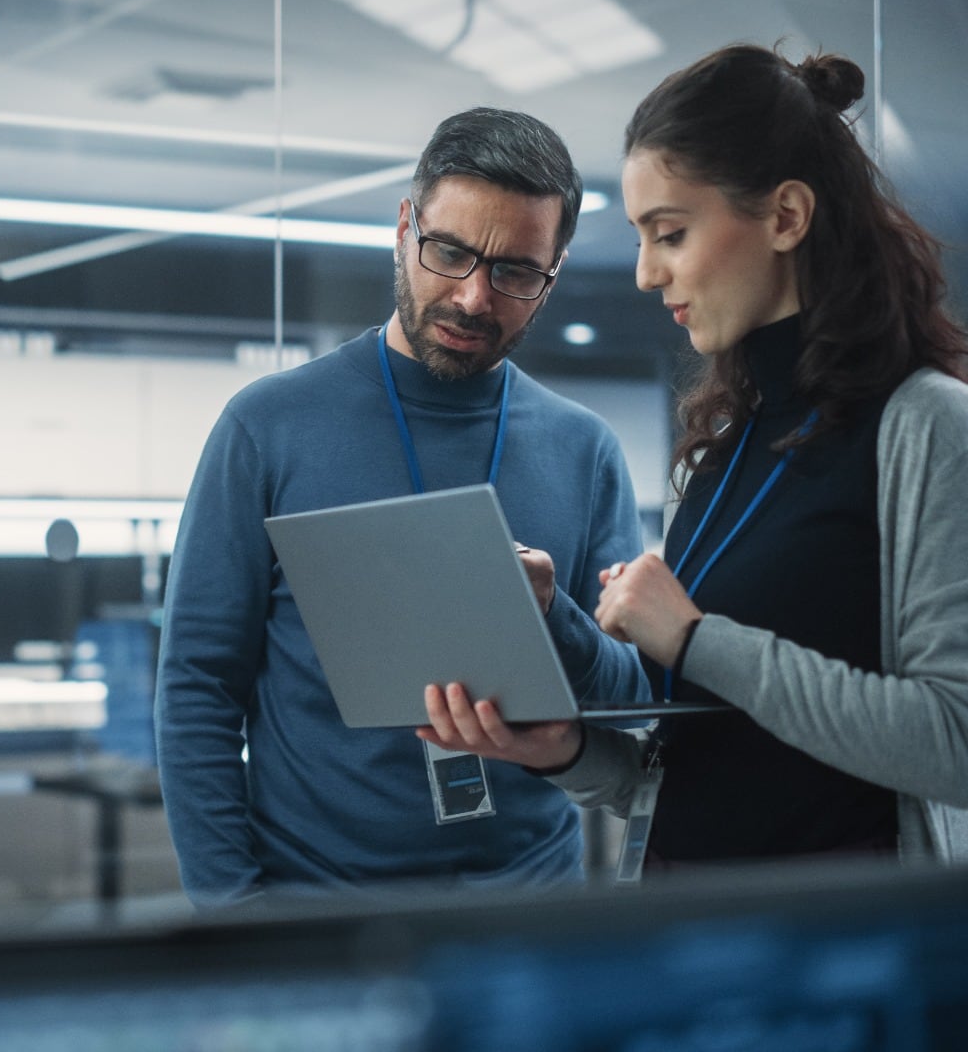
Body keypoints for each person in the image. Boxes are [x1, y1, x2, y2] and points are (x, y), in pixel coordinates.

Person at [419, 45, 968, 873]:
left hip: (848, 957)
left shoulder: (932, 428)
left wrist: (698, 639)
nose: (644, 273)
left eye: (669, 233)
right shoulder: (718, 451)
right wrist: (564, 749)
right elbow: (687, 770)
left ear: (784, 216)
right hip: (690, 932)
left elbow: (965, 747)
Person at [154, 106, 651, 907]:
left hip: (527, 912)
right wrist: (231, 910)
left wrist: (550, 613)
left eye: (515, 273)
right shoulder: (268, 426)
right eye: (448, 251)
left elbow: (627, 696)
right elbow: (197, 687)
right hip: (316, 912)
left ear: (552, 273)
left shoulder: (582, 449)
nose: (472, 296)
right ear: (402, 227)